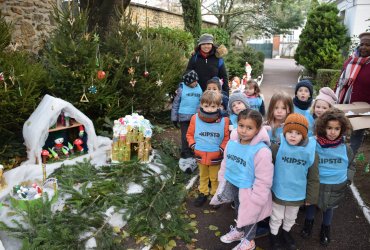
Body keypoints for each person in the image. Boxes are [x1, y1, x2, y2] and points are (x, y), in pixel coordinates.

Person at [210, 109, 273, 250]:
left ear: (257, 130)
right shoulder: (232, 143)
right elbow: (226, 162)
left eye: (249, 127)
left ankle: (249, 240)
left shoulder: (261, 151)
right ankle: (239, 231)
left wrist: (258, 198)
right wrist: (222, 178)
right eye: (241, 125)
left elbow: (264, 178)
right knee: (239, 209)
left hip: (250, 190)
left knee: (251, 214)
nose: (244, 131)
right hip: (234, 183)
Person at [300, 108, 355, 247]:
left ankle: (326, 228)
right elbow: (303, 157)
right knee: (311, 204)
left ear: (342, 129)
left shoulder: (345, 148)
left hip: (335, 186)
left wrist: (347, 179)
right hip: (316, 184)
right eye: (329, 128)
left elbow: (351, 165)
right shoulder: (314, 143)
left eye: (337, 128)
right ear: (322, 127)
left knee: (329, 208)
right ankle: (308, 223)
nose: (332, 132)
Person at [269, 113, 319, 250]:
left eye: (298, 133)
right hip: (278, 191)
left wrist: (311, 197)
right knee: (276, 216)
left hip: (297, 193)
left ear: (304, 135)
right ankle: (274, 235)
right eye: (290, 132)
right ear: (284, 132)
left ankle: (286, 232)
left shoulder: (311, 153)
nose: (293, 135)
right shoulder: (276, 148)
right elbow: (266, 170)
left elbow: (313, 178)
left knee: (291, 216)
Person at [186, 90, 230, 207]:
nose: (209, 109)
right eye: (206, 106)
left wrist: (221, 149)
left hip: (215, 156)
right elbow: (189, 134)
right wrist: (193, 146)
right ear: (201, 105)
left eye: (213, 106)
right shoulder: (195, 118)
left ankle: (215, 195)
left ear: (219, 106)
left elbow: (226, 138)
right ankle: (203, 193)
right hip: (200, 154)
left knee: (215, 178)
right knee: (203, 176)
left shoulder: (224, 121)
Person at [335, 31, 370, 156]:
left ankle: (349, 160)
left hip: (362, 107)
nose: (363, 47)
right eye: (362, 44)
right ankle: (336, 155)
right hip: (344, 103)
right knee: (338, 129)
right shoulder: (350, 60)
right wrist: (335, 96)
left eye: (367, 45)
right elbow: (340, 80)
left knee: (356, 134)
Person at [171, 70, 203, 173]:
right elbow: (176, 104)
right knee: (185, 136)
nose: (195, 83)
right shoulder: (181, 89)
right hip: (184, 117)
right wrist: (174, 118)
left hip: (196, 117)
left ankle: (195, 151)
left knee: (195, 135)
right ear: (188, 82)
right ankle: (185, 153)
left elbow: (202, 101)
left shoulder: (199, 88)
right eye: (193, 81)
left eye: (196, 80)